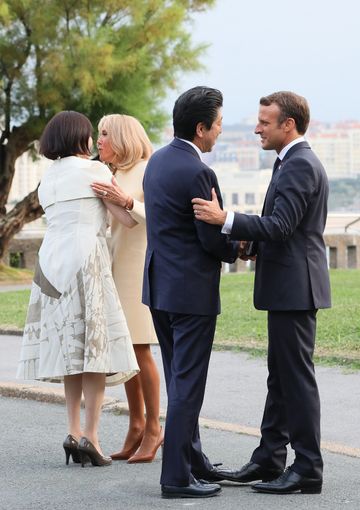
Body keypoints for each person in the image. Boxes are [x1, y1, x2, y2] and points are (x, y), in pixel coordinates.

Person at [192, 91, 331, 495]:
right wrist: (250, 245)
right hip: (288, 286)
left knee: (297, 380)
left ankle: (307, 467)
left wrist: (226, 219)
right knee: (281, 377)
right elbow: (284, 226)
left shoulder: (300, 164)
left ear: (288, 124)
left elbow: (283, 225)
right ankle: (270, 459)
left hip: (295, 288)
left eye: (264, 122)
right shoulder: (289, 162)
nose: (256, 128)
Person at [17, 111, 139, 468]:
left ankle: (72, 432)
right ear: (81, 138)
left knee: (71, 354)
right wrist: (121, 193)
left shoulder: (47, 178)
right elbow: (127, 220)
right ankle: (93, 438)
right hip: (86, 263)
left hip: (50, 268)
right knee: (94, 355)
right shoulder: (95, 171)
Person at [142, 86, 240, 499]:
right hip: (191, 293)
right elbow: (210, 239)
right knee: (187, 385)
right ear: (201, 129)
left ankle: (193, 458)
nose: (219, 132)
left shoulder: (158, 162)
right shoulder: (200, 172)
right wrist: (240, 247)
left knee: (177, 376)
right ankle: (176, 477)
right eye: (217, 125)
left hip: (159, 288)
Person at [90, 114, 162, 463]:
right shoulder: (110, 173)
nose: (98, 140)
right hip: (114, 266)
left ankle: (153, 428)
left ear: (122, 137)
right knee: (124, 351)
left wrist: (126, 200)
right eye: (97, 134)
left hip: (139, 267)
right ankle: (135, 424)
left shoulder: (149, 169)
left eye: (104, 134)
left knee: (139, 348)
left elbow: (158, 215)